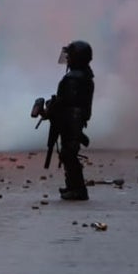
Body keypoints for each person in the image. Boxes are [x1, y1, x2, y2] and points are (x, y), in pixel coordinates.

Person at [32, 40, 95, 201]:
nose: (67, 59)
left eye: (70, 56)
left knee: (68, 154)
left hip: (71, 121)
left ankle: (78, 190)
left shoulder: (74, 78)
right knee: (68, 153)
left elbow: (67, 101)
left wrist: (52, 107)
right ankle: (72, 187)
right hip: (72, 120)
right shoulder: (85, 75)